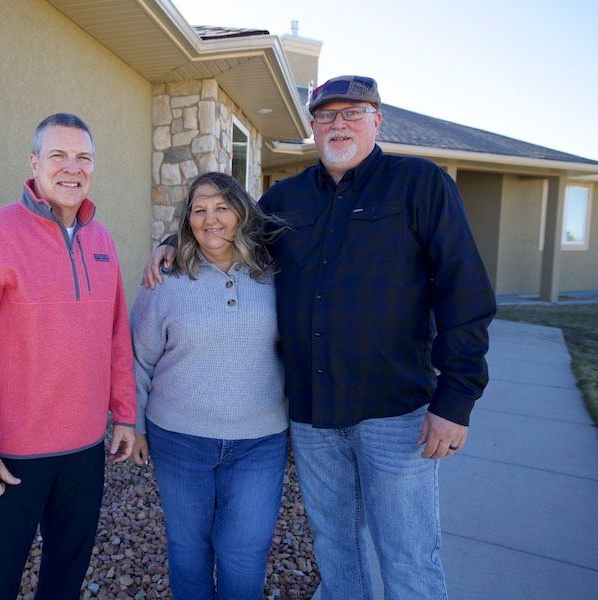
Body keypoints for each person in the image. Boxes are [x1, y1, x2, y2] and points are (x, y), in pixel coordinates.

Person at [143, 76, 496, 599]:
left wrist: (457, 397)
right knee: (336, 551)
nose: (338, 124)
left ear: (377, 119)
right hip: (313, 418)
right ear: (312, 128)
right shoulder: (287, 198)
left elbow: (463, 291)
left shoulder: (419, 185)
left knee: (409, 555)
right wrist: (173, 242)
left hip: (395, 413)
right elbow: (223, 227)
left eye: (352, 113)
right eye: (326, 115)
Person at [0, 113, 136, 600]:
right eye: (58, 155)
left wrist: (126, 416)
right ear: (34, 163)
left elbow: (116, 338)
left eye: (83, 158)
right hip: (7, 457)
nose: (72, 168)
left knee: (63, 582)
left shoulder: (102, 240)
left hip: (84, 452)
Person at [131, 172, 288, 600]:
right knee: (188, 548)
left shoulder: (274, 274)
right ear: (187, 220)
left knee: (245, 552)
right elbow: (137, 359)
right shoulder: (164, 280)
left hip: (259, 442)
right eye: (199, 210)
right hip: (179, 440)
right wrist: (135, 425)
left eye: (221, 208)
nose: (210, 219)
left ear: (241, 212)